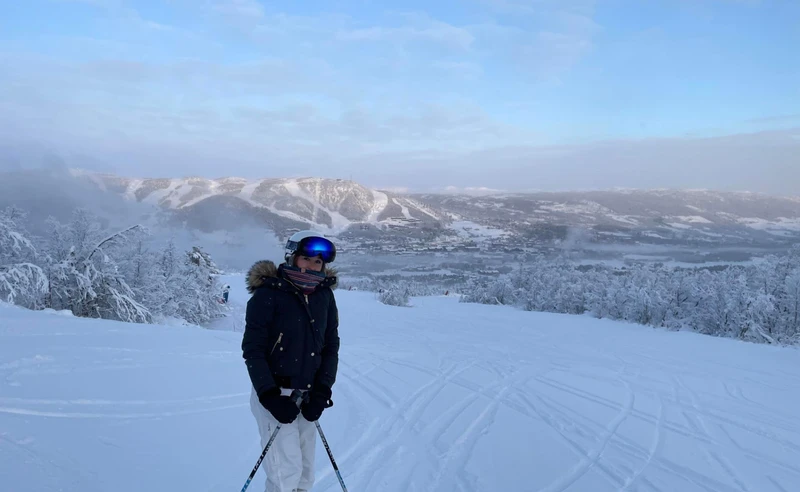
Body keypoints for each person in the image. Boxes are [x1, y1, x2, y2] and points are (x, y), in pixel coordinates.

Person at [242, 230, 340, 492]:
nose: (311, 265)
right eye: (306, 258)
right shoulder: (268, 294)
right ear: (292, 257)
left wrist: (321, 391)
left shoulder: (324, 296)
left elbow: (330, 347)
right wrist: (270, 396)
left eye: (317, 262)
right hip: (275, 394)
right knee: (285, 473)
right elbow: (253, 350)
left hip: (307, 395)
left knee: (305, 474)